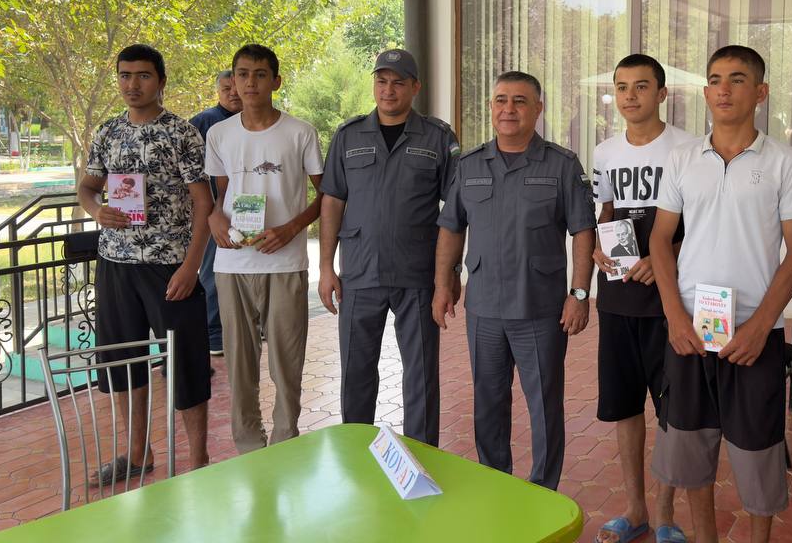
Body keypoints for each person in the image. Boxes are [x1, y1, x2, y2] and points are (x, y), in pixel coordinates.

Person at [648, 45, 792, 543]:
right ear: (705, 92)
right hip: (691, 328)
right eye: (716, 80)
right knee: (690, 447)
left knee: (758, 449)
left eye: (737, 79)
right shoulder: (682, 158)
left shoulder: (785, 161)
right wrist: (675, 316)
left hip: (753, 331)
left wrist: (762, 326)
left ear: (760, 92)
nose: (724, 89)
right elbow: (660, 240)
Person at [433, 70, 597, 491]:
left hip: (540, 310)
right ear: (491, 107)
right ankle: (496, 487)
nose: (509, 109)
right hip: (484, 309)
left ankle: (543, 492)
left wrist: (580, 293)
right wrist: (443, 284)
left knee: (544, 406)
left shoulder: (561, 164)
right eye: (501, 100)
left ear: (538, 109)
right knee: (488, 403)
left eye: (520, 101)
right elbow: (451, 227)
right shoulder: (469, 165)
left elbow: (583, 230)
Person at [77, 43, 213, 481]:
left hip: (169, 266)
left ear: (161, 81)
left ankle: (198, 462)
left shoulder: (181, 133)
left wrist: (191, 266)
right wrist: (96, 211)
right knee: (122, 362)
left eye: (142, 75)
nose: (132, 84)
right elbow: (87, 187)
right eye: (125, 75)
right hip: (115, 263)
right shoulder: (108, 132)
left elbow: (204, 202)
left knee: (186, 362)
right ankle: (138, 455)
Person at [317, 49, 459, 446]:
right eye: (382, 81)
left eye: (398, 82)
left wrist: (448, 274)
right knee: (356, 372)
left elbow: (456, 209)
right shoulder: (348, 136)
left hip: (417, 274)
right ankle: (355, 454)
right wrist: (326, 267)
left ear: (415, 87)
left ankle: (422, 457)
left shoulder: (437, 137)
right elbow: (332, 201)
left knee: (421, 375)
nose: (388, 90)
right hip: (360, 273)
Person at [589, 54, 693, 543]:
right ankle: (636, 510)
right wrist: (598, 243)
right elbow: (607, 210)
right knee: (624, 405)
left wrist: (665, 256)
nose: (630, 96)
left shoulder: (689, 148)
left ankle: (667, 513)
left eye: (641, 86)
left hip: (669, 300)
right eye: (622, 87)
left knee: (672, 409)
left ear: (662, 93)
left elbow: (702, 220)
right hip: (617, 297)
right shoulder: (604, 151)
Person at [205, 44, 324, 454]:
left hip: (284, 262)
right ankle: (249, 449)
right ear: (232, 80)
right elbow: (220, 195)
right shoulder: (219, 134)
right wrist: (214, 218)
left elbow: (326, 195)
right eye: (242, 74)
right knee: (239, 363)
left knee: (287, 362)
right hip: (232, 263)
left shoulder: (300, 132)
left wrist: (291, 228)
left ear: (276, 81)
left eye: (259, 74)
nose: (249, 82)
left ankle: (286, 445)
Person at [190, 70, 243, 356]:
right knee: (213, 271)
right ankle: (213, 335)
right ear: (218, 92)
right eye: (226, 89)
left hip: (248, 212)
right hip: (214, 212)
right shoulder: (205, 122)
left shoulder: (255, 121)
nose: (233, 93)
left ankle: (247, 326)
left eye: (236, 87)